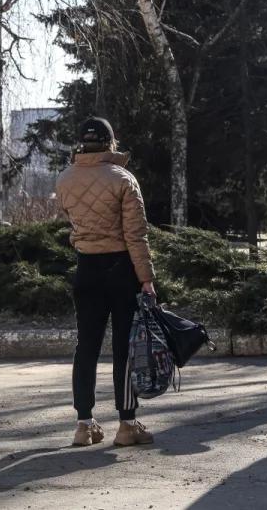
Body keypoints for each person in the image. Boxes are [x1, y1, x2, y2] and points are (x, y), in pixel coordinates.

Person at [56, 117, 158, 447]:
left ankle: (84, 425)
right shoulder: (123, 179)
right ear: (110, 142)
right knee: (124, 348)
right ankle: (127, 424)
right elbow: (136, 235)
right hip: (122, 268)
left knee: (86, 345)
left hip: (86, 267)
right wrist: (146, 278)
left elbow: (70, 222)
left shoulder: (65, 179)